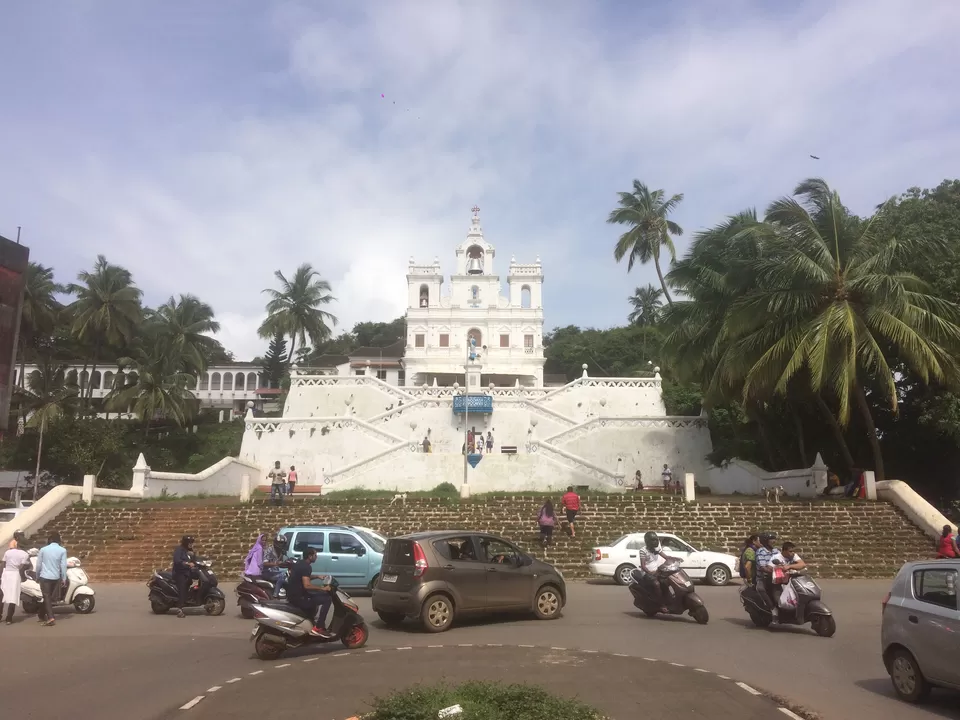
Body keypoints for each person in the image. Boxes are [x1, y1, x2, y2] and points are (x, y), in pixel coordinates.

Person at [286, 547, 334, 638]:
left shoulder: (300, 563)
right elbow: (307, 585)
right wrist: (322, 588)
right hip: (299, 597)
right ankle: (319, 627)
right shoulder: (306, 567)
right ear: (310, 556)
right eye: (315, 555)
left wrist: (317, 576)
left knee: (316, 595)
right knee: (327, 599)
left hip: (293, 595)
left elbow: (304, 577)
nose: (316, 557)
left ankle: (310, 620)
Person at [35, 532, 68, 626]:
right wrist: (64, 578)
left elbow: (38, 565)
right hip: (56, 577)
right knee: (49, 597)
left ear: (50, 540)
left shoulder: (43, 550)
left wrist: (37, 576)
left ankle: (51, 618)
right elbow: (63, 566)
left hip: (45, 577)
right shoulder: (62, 550)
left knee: (46, 597)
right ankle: (41, 615)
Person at [639, 531, 675, 613]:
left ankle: (669, 599)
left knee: (667, 581)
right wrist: (649, 572)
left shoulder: (657, 548)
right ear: (648, 541)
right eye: (653, 540)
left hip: (658, 571)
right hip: (647, 573)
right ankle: (661, 604)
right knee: (657, 584)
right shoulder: (643, 550)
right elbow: (643, 566)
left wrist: (674, 559)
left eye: (656, 540)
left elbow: (666, 557)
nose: (656, 542)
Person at [1, 534, 30, 625]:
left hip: (6, 573)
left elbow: (3, 565)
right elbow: (22, 566)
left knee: (2, 594)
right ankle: (9, 618)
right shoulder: (25, 554)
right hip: (15, 574)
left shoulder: (8, 552)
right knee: (13, 596)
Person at [754, 532, 780, 622]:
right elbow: (762, 567)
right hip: (764, 578)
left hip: (778, 577)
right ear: (765, 541)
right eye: (771, 539)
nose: (774, 541)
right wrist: (773, 570)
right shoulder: (760, 552)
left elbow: (784, 561)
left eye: (774, 539)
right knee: (761, 589)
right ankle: (773, 609)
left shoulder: (776, 551)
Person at [173, 535, 196, 618]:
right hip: (180, 573)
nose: (191, 544)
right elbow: (177, 561)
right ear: (185, 543)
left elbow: (195, 560)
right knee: (182, 588)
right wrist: (187, 563)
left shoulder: (190, 551)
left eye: (192, 543)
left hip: (188, 573)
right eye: (189, 543)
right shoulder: (179, 550)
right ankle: (179, 609)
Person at [262, 534, 290, 598]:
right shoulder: (269, 550)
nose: (282, 545)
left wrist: (286, 564)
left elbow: (280, 564)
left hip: (275, 570)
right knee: (283, 575)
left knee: (288, 573)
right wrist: (276, 563)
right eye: (280, 543)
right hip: (267, 571)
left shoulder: (281, 551)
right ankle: (275, 594)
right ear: (276, 543)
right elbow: (264, 563)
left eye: (283, 543)